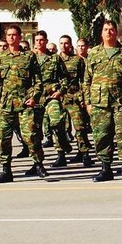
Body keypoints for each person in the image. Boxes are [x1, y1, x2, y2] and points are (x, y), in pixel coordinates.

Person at [83, 20, 122, 181]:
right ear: (101, 33)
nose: (109, 32)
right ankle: (106, 168)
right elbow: (86, 80)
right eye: (106, 29)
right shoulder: (94, 53)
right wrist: (88, 102)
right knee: (101, 135)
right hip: (99, 102)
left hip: (121, 101)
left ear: (116, 33)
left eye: (112, 29)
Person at [0, 25, 45, 183]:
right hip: (6, 104)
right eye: (9, 35)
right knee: (3, 138)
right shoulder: (0, 58)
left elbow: (38, 80)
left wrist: (34, 97)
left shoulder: (29, 56)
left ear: (20, 37)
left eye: (15, 35)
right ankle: (6, 170)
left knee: (30, 136)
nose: (12, 37)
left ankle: (38, 165)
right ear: (5, 37)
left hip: (24, 103)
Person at [34, 30, 73, 167]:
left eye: (42, 40)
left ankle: (61, 151)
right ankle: (37, 162)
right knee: (35, 130)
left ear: (46, 40)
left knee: (57, 123)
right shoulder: (29, 58)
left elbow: (65, 78)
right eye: (37, 40)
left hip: (52, 96)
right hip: (35, 98)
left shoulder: (55, 58)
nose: (39, 42)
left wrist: (61, 91)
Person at [59, 35, 94, 167]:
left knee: (80, 127)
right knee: (59, 127)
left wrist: (84, 97)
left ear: (70, 45)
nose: (64, 45)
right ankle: (61, 154)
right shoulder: (54, 60)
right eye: (61, 43)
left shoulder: (77, 60)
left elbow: (83, 81)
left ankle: (84, 154)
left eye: (66, 43)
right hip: (59, 98)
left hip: (74, 97)